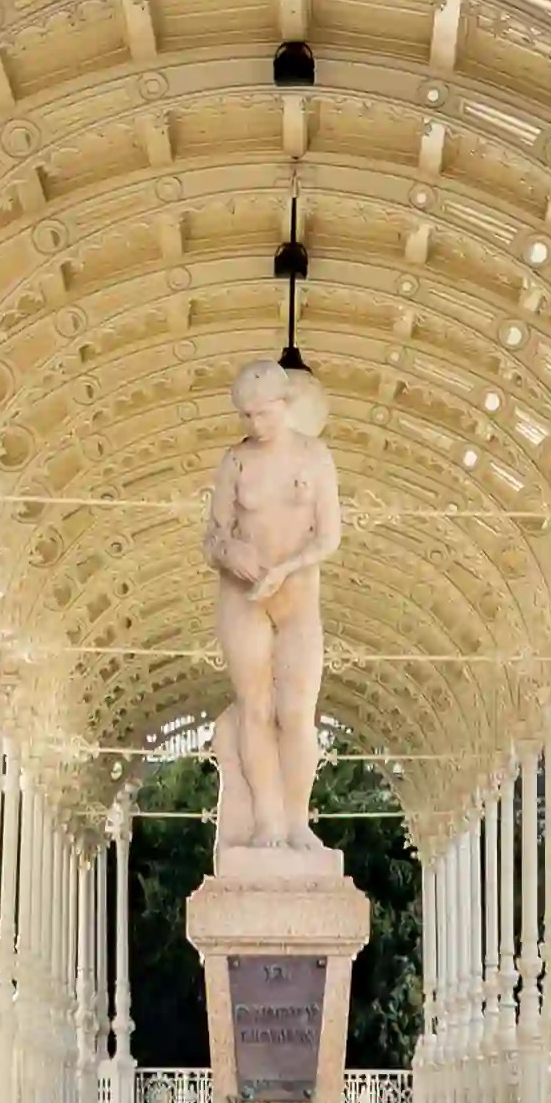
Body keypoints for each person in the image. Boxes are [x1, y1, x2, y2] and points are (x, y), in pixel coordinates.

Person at [203, 358, 340, 853]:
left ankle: (298, 821)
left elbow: (329, 537)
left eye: (263, 413)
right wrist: (231, 552)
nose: (254, 424)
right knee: (255, 708)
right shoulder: (235, 462)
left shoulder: (315, 457)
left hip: (298, 597)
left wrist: (287, 568)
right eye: (246, 416)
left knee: (298, 711)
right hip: (243, 597)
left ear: (284, 406)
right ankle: (267, 821)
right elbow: (213, 535)